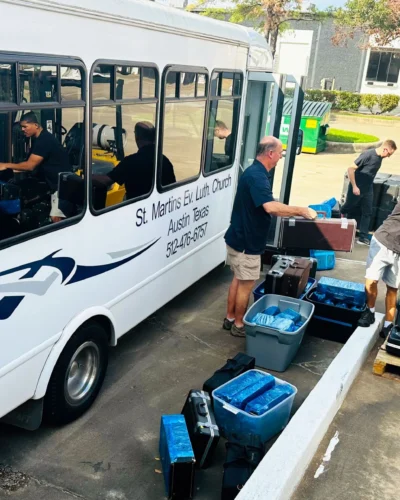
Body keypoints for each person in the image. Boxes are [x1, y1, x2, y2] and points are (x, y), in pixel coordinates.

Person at [223, 136, 317, 338]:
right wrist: (301, 210)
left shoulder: (254, 172)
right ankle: (239, 325)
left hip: (237, 238)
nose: (281, 156)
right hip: (247, 243)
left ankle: (230, 317)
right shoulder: (257, 176)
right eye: (281, 152)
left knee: (238, 279)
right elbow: (271, 207)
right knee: (246, 284)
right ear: (270, 153)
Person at [0, 111, 72, 223]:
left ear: (36, 125)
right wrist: (8, 170)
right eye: (22, 127)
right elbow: (26, 165)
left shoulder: (45, 140)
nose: (22, 129)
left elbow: (30, 166)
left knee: (56, 218)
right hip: (48, 181)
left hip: (61, 184)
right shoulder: (36, 139)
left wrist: (5, 165)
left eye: (25, 127)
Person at [94, 121, 175, 198]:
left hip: (136, 208)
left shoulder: (131, 162)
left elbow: (105, 181)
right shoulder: (164, 161)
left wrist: (85, 178)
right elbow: (172, 188)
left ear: (137, 137)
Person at [340, 140, 397, 246]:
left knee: (367, 212)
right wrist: (354, 186)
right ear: (385, 149)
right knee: (347, 208)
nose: (388, 156)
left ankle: (363, 237)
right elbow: (351, 169)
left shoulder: (380, 158)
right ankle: (336, 225)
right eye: (389, 154)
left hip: (368, 189)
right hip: (357, 187)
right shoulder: (368, 155)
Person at [357, 200, 400, 338]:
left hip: (398, 252)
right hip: (382, 241)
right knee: (371, 281)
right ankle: (370, 311)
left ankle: (388, 325)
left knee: (393, 288)